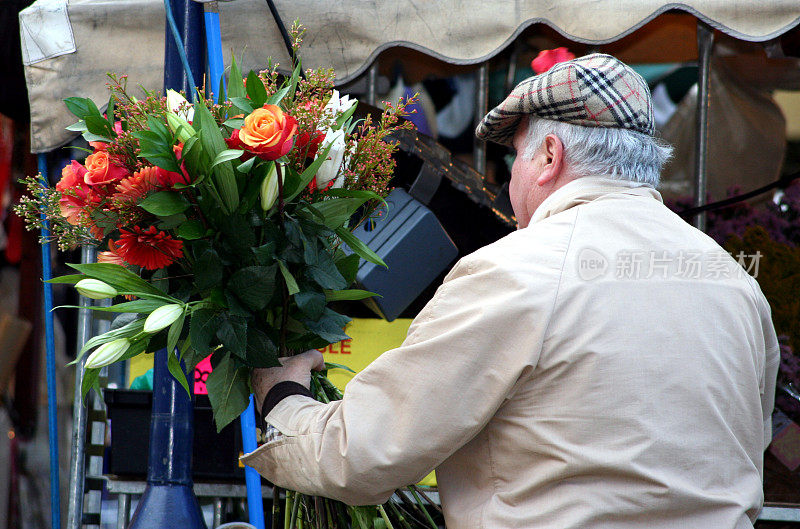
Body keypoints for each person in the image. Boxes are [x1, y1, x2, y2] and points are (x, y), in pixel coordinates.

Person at [243, 53, 779, 529]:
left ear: (549, 157)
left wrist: (284, 400)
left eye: (515, 157)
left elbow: (361, 452)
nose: (507, 183)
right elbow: (751, 448)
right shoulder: (734, 282)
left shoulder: (516, 271)